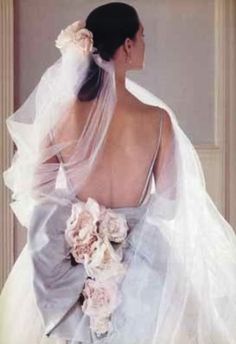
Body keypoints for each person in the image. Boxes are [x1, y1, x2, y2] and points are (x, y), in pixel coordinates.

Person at [0, 2, 236, 344]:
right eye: (142, 36)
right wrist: (123, 220)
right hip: (141, 259)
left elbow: (39, 192)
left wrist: (84, 227)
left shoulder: (61, 118)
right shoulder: (157, 121)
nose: (144, 43)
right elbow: (169, 206)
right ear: (127, 45)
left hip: (72, 257)